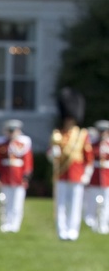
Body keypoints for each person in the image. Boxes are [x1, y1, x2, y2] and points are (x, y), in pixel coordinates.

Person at [47, 88, 93, 241]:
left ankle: (73, 230)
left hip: (76, 173)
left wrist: (86, 173)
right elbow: (50, 153)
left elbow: (88, 157)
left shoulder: (82, 135)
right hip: (61, 173)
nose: (69, 121)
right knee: (60, 204)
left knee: (75, 204)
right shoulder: (57, 134)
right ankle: (62, 230)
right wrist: (52, 154)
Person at [0, 119, 33, 233]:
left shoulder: (23, 144)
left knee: (17, 203)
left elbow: (27, 161)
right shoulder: (1, 144)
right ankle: (5, 223)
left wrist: (26, 176)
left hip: (18, 177)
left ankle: (15, 224)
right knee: (5, 202)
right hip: (5, 177)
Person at [86, 119, 109, 234]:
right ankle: (92, 221)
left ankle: (103, 223)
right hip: (95, 177)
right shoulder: (92, 143)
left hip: (106, 177)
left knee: (106, 202)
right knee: (93, 201)